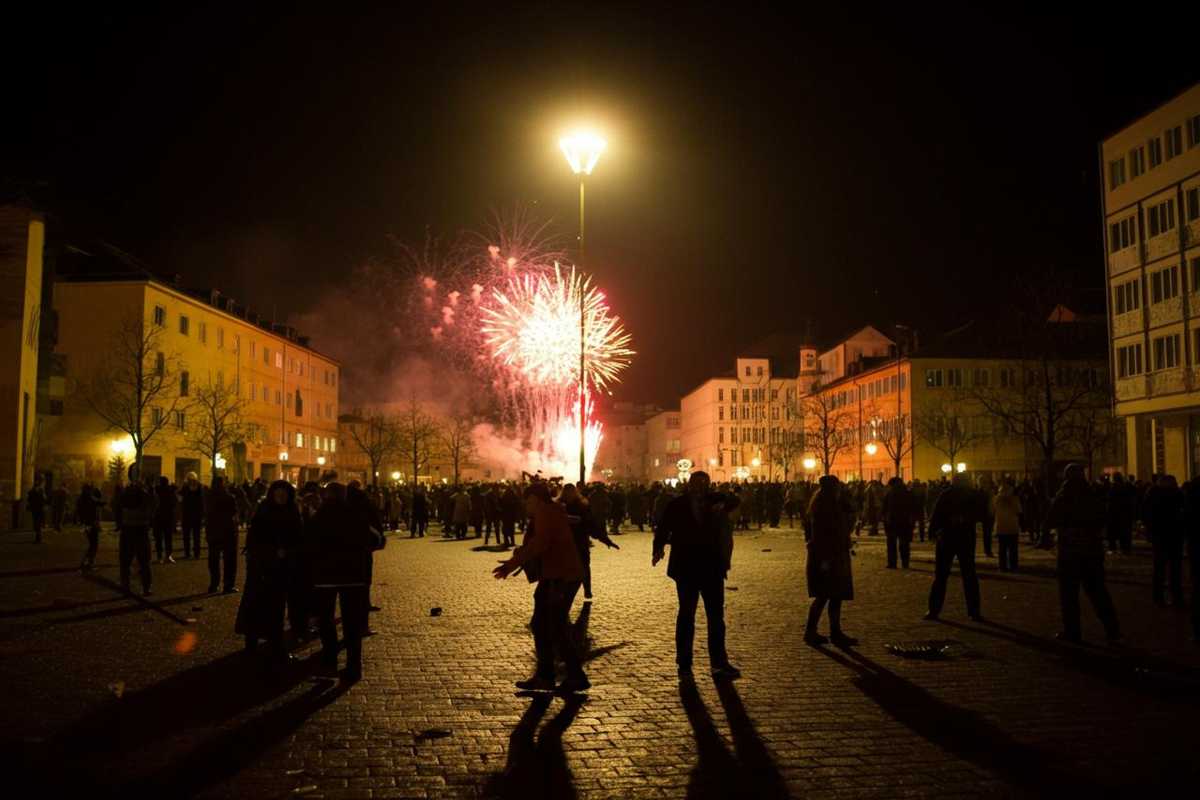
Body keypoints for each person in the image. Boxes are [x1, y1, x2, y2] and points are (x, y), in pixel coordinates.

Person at [493, 482, 590, 692]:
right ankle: (552, 675)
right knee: (546, 625)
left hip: (560, 576)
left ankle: (570, 676)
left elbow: (540, 543)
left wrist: (512, 564)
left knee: (552, 626)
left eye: (527, 501)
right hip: (557, 575)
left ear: (536, 499)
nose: (525, 505)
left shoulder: (546, 512)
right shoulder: (551, 511)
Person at [652, 471, 742, 680]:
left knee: (715, 617)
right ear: (690, 485)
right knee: (686, 615)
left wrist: (720, 496)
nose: (700, 487)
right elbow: (663, 528)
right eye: (697, 483)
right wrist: (658, 549)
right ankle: (684, 663)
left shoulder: (715, 501)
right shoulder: (678, 504)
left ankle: (718, 662)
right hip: (686, 567)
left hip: (711, 566)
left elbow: (735, 500)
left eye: (704, 484)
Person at [308, 482, 381, 682]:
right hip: (353, 578)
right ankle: (353, 666)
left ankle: (330, 661)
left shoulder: (319, 517)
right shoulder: (356, 516)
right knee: (352, 623)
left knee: (326, 622)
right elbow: (377, 540)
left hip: (325, 578)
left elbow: (308, 545)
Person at [1046, 464, 1120, 643]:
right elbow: (1103, 517)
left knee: (1069, 595)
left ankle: (1073, 632)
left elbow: (1051, 519)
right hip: (1091, 550)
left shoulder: (1063, 496)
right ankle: (1113, 630)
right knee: (1098, 592)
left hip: (1069, 551)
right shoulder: (1092, 494)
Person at [237, 480, 304, 666]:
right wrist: (272, 552)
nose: (281, 498)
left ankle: (276, 646)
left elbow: (298, 539)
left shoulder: (293, 513)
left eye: (284, 495)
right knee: (255, 605)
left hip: (283, 570)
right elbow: (254, 540)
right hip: (262, 568)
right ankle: (251, 644)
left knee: (276, 609)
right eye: (278, 494)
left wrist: (289, 552)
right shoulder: (264, 511)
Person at [804, 475, 857, 646]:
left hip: (834, 554)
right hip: (827, 556)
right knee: (824, 595)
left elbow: (846, 524)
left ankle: (834, 631)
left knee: (835, 595)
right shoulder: (824, 507)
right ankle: (812, 632)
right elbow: (821, 535)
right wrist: (825, 560)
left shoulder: (831, 504)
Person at [925, 472, 983, 622]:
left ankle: (934, 610)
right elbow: (980, 514)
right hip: (963, 537)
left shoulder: (948, 494)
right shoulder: (971, 495)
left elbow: (936, 515)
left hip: (948, 537)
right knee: (968, 575)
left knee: (942, 575)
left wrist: (932, 531)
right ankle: (974, 611)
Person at [559, 483, 619, 600]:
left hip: (577, 544)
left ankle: (586, 589)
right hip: (568, 545)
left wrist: (606, 541)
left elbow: (591, 526)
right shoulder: (562, 506)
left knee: (583, 567)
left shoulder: (579, 506)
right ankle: (570, 594)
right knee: (574, 570)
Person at [1144, 474, 1186, 608]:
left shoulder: (1152, 494)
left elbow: (1146, 514)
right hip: (1174, 535)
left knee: (1159, 567)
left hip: (1159, 535)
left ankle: (1158, 596)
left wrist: (1149, 531)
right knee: (1175, 568)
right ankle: (1177, 597)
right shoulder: (1178, 494)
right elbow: (1184, 513)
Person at [117, 474, 155, 596]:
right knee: (144, 561)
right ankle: (146, 587)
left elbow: (116, 506)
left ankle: (126, 586)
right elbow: (153, 506)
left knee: (126, 561)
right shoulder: (145, 496)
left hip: (128, 529)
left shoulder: (125, 495)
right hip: (141, 529)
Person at [206, 478, 240, 594]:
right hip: (228, 532)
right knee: (229, 560)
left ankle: (214, 584)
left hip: (213, 531)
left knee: (213, 560)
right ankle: (228, 585)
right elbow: (234, 513)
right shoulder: (229, 497)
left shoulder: (208, 497)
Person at [882, 477, 917, 569]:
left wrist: (885, 519)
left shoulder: (890, 494)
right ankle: (905, 563)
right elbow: (913, 508)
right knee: (904, 544)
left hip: (892, 522)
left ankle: (892, 563)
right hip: (904, 522)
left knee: (892, 544)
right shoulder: (908, 493)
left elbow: (884, 508)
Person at [994, 481, 1022, 572]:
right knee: (1013, 549)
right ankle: (1013, 566)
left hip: (1001, 527)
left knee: (1002, 549)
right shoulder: (1014, 499)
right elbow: (1019, 511)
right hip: (1012, 527)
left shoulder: (996, 499)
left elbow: (991, 511)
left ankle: (1002, 566)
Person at [76, 483, 104, 571]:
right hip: (91, 523)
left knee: (92, 544)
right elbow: (99, 503)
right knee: (94, 545)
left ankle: (85, 562)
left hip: (85, 523)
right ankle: (89, 563)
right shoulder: (90, 498)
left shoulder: (80, 499)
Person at [152, 476, 178, 564]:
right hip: (168, 517)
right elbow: (174, 503)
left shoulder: (157, 490)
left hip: (159, 517)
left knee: (159, 538)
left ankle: (160, 556)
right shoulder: (170, 491)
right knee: (168, 538)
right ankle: (168, 555)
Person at [179, 472, 204, 559]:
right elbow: (202, 502)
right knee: (196, 536)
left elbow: (180, 498)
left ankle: (187, 553)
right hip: (196, 515)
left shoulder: (185, 487)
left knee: (187, 536)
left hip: (187, 515)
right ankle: (196, 553)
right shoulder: (200, 487)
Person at [27, 474, 47, 543]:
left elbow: (30, 498)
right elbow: (43, 498)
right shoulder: (39, 489)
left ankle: (38, 537)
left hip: (36, 508)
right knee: (38, 522)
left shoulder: (36, 489)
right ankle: (38, 537)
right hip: (38, 508)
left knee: (37, 522)